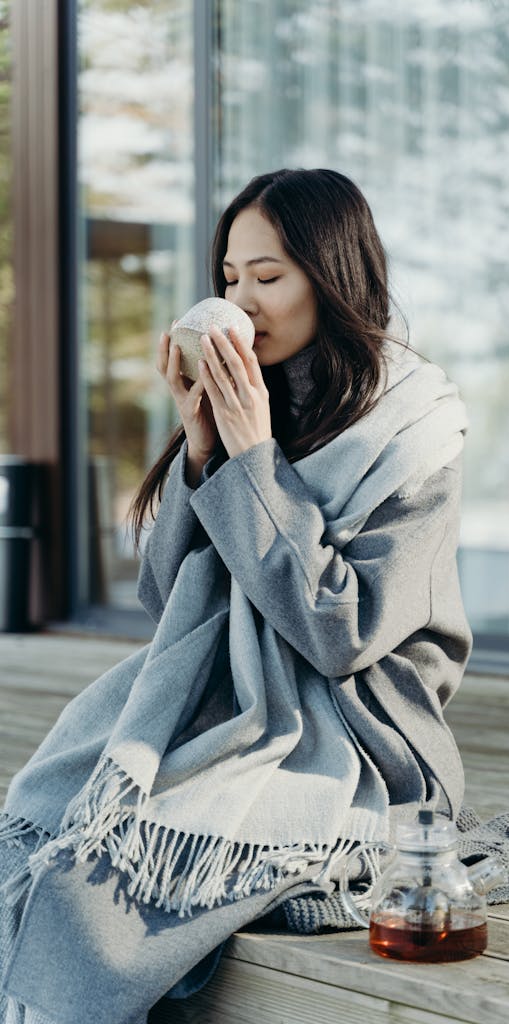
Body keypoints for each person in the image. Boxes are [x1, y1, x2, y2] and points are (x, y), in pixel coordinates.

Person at [0, 168, 472, 1023]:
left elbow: (339, 636)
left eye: (268, 277)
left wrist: (253, 462)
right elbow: (164, 599)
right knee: (36, 837)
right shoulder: (249, 403)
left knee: (90, 897)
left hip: (356, 733)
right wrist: (200, 443)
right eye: (228, 278)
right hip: (211, 703)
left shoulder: (414, 434)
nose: (242, 302)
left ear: (332, 279)